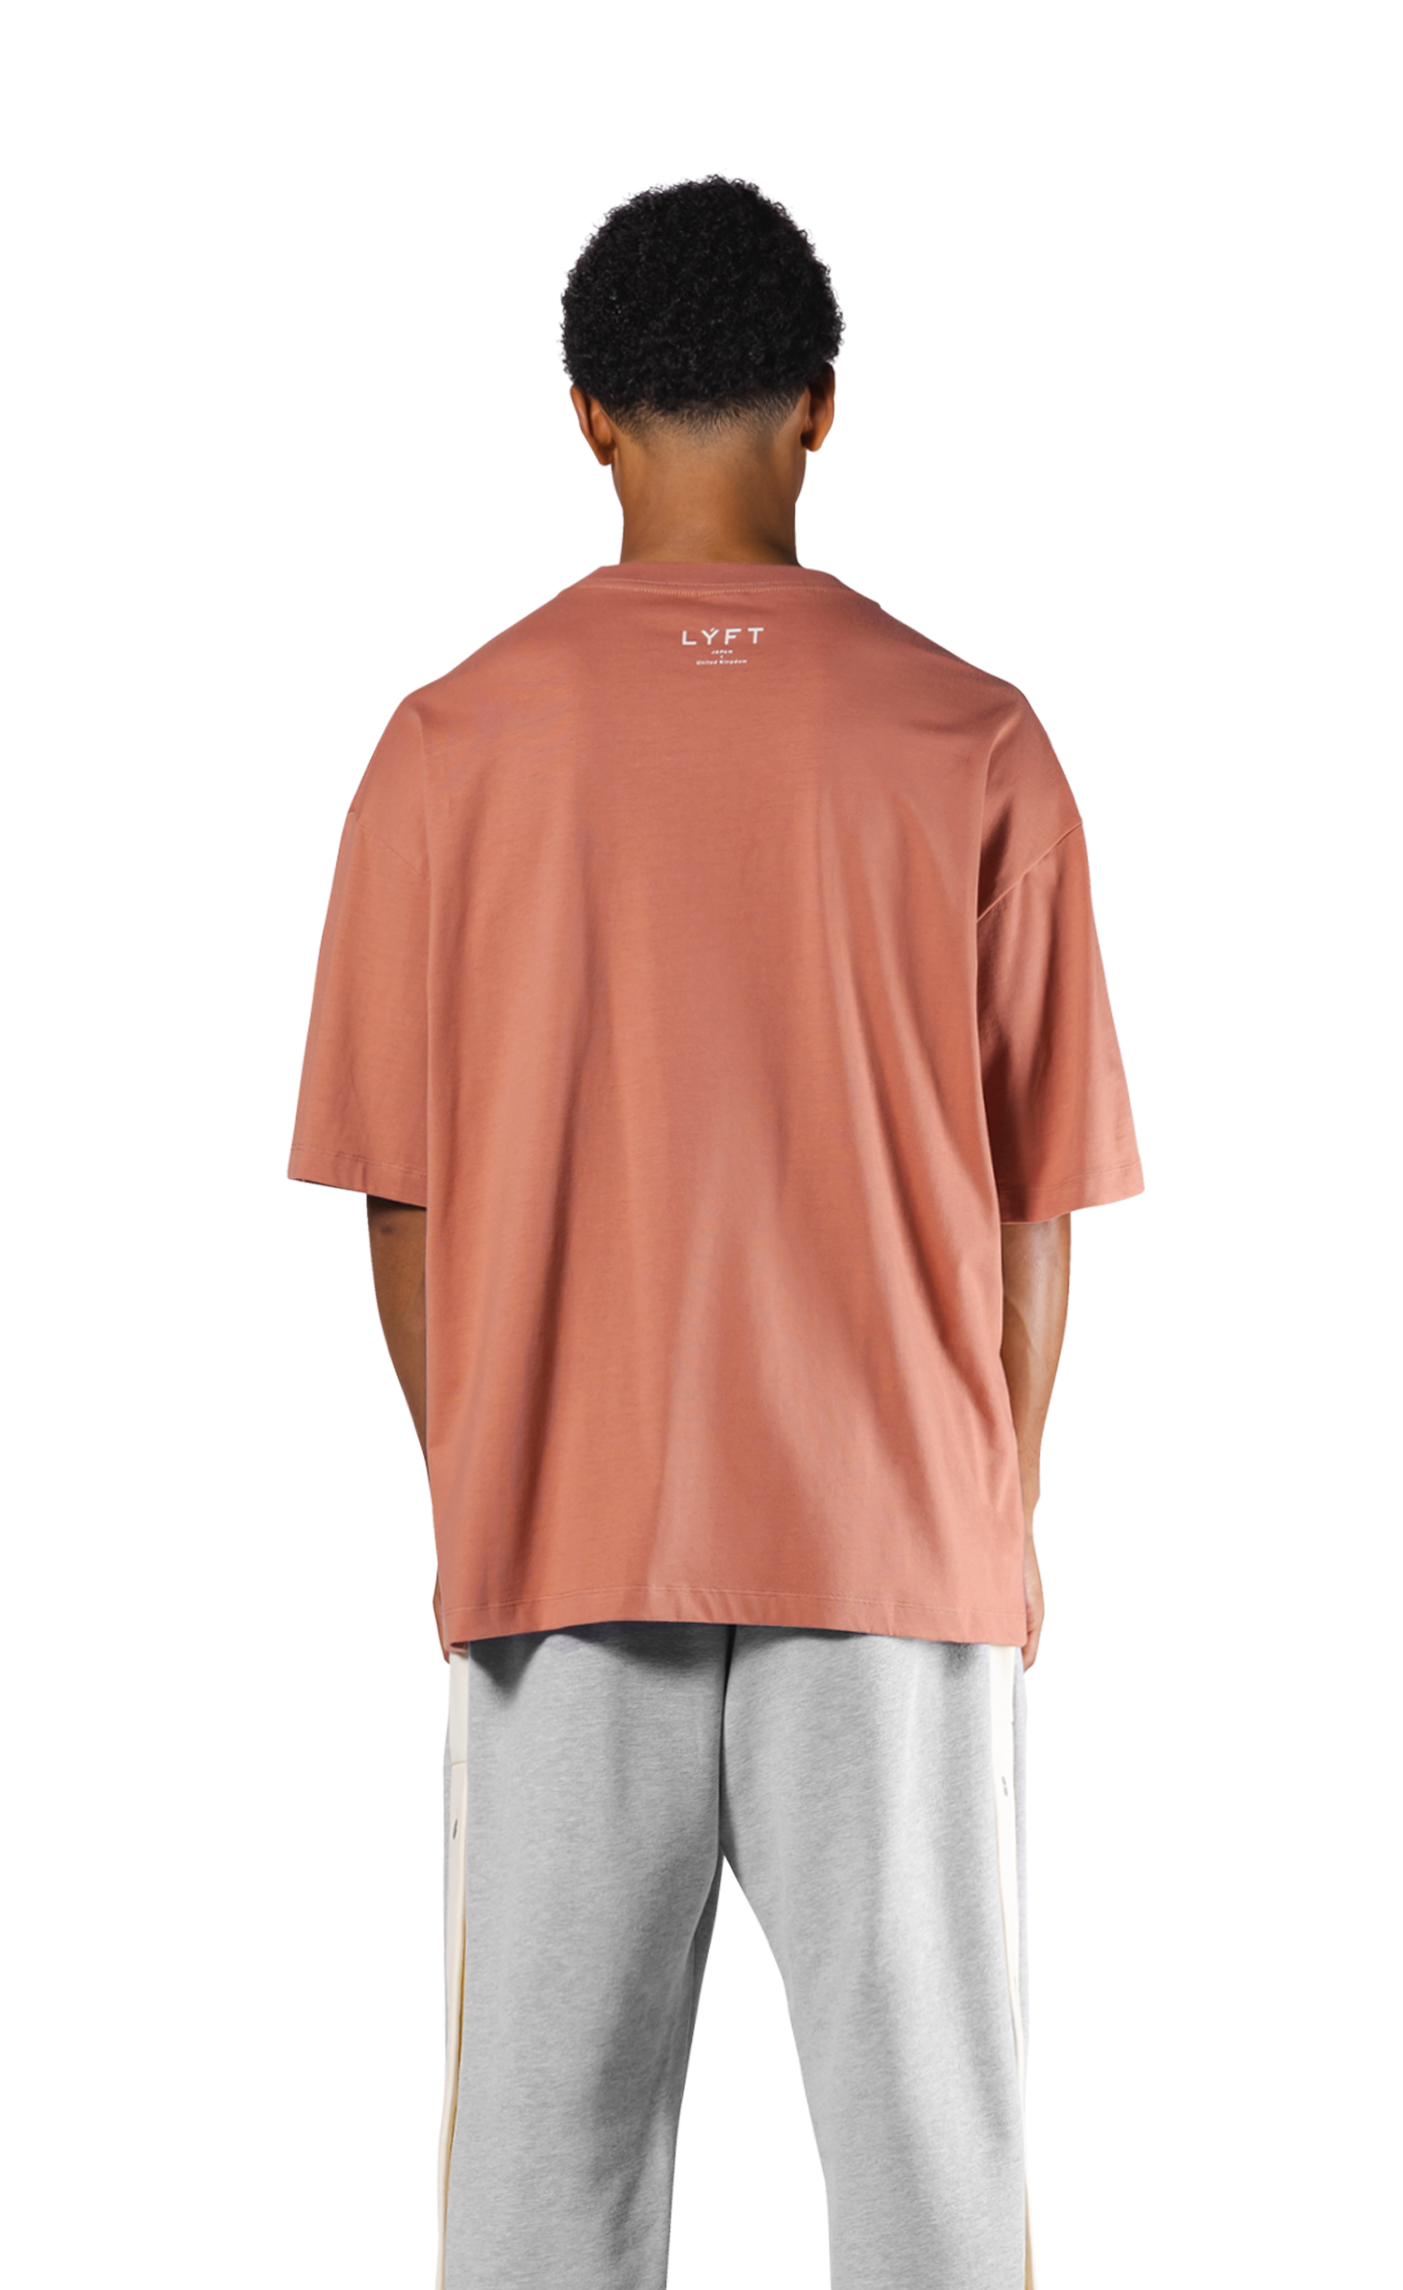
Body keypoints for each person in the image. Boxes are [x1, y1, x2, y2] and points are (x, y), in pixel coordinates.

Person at [287, 173, 1143, 2290]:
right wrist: (990, 1510)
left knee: (541, 2178)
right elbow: (1033, 1204)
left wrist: (497, 1474)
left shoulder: (446, 746)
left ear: (586, 412)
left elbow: (402, 1197)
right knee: (937, 2163)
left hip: (567, 1544)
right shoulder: (974, 739)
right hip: (893, 1539)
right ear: (822, 406)